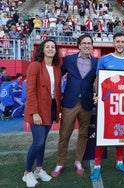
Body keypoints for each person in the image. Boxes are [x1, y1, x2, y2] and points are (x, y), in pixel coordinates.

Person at [51, 34, 98, 177]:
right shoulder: (69, 60)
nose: (86, 45)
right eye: (84, 43)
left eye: (89, 43)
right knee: (64, 134)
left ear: (92, 46)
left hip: (87, 103)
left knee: (83, 134)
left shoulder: (96, 62)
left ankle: (78, 161)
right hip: (70, 103)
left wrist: (97, 94)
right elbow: (57, 76)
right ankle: (60, 163)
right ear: (78, 45)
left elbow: (99, 81)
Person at [90, 32, 124, 182]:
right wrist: (96, 95)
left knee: (121, 133)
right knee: (103, 133)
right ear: (113, 43)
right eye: (118, 41)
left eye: (123, 41)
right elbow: (97, 80)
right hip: (107, 103)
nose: (120, 44)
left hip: (123, 104)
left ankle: (119, 162)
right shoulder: (104, 59)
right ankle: (97, 165)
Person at [22, 39, 62, 187]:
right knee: (38, 142)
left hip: (50, 108)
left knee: (42, 142)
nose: (51, 49)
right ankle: (27, 173)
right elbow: (30, 90)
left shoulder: (57, 68)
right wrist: (34, 112)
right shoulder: (35, 65)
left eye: (53, 47)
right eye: (48, 47)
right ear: (42, 50)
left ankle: (39, 169)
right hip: (38, 109)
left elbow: (56, 92)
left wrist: (59, 109)